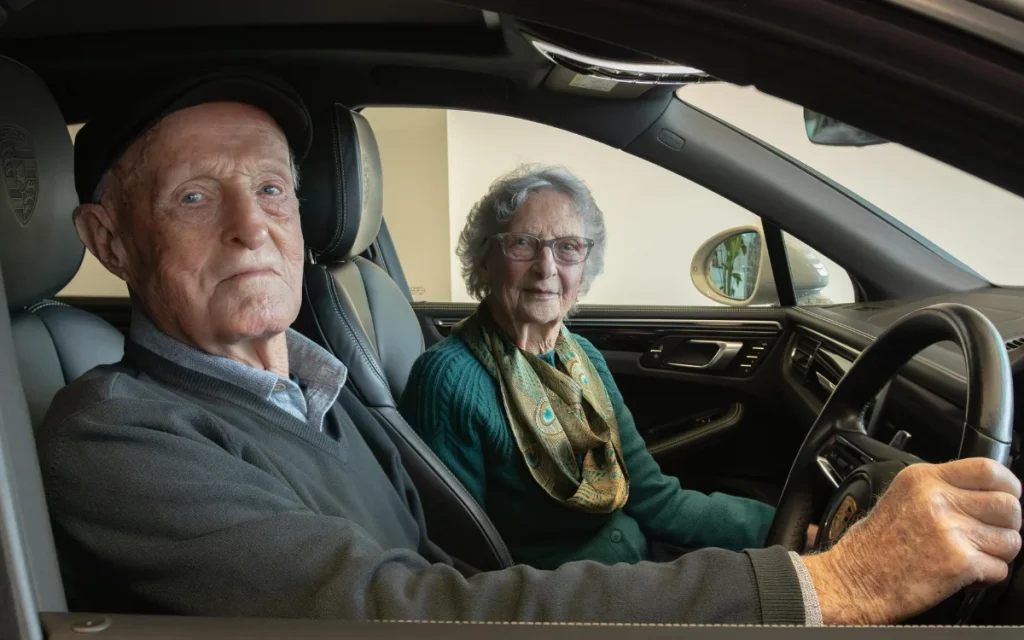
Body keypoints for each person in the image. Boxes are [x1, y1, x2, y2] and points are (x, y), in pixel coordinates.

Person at [38, 70, 1021, 627]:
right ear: (109, 240)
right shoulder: (115, 432)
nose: (253, 228)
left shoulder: (315, 378)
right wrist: (825, 582)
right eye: (194, 196)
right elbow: (404, 607)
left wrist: (785, 537)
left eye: (275, 188)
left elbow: (608, 512)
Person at [399, 165, 782, 569]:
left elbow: (655, 500)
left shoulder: (583, 356)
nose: (546, 267)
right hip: (568, 602)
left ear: (584, 270)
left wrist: (783, 527)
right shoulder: (448, 381)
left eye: (567, 247)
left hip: (638, 560)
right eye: (523, 243)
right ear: (484, 261)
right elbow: (462, 561)